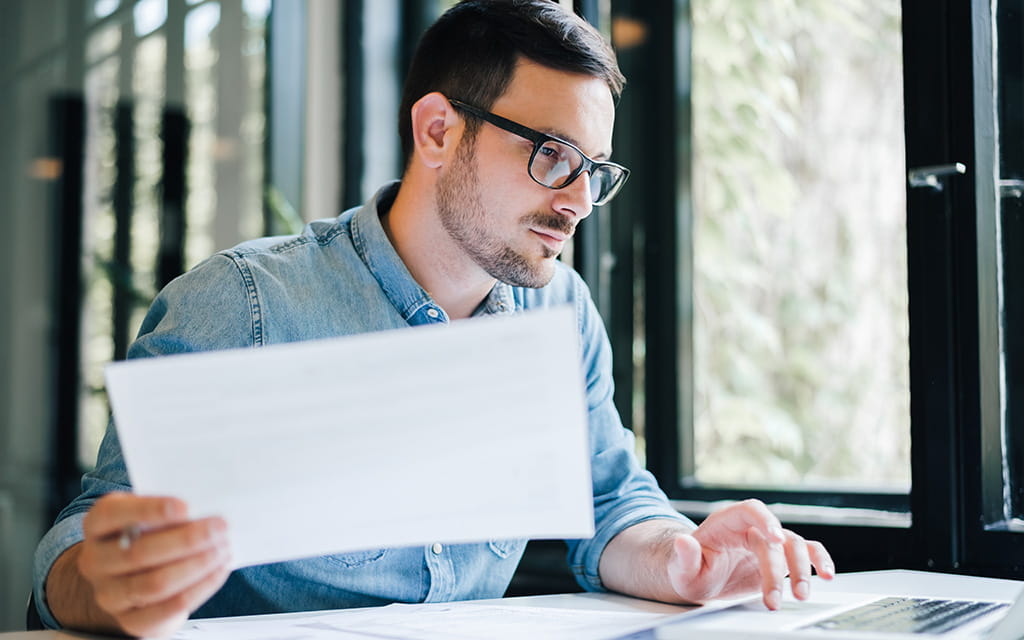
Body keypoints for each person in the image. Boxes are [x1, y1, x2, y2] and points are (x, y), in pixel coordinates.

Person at [32, 0, 834, 636]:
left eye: (595, 170)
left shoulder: (559, 310)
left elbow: (609, 503)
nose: (580, 200)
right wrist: (104, 584)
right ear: (439, 131)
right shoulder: (244, 304)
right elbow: (83, 543)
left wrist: (684, 557)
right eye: (553, 155)